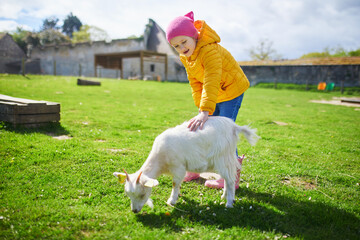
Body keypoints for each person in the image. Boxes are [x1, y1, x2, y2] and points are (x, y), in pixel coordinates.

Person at [166, 11, 250, 189]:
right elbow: (196, 83)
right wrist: (201, 109)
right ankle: (196, 167)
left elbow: (211, 79)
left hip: (231, 89)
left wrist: (205, 111)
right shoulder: (186, 57)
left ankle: (231, 175)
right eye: (176, 46)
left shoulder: (209, 50)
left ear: (194, 36)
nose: (181, 48)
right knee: (203, 129)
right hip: (216, 92)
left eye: (184, 42)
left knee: (224, 132)